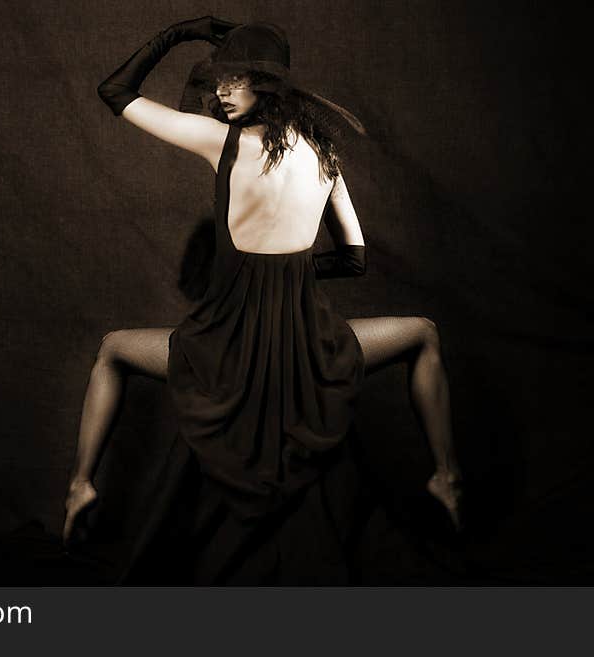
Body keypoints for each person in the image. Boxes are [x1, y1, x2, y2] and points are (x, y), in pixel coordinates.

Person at [65, 18, 462, 582]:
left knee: (111, 350)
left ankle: (80, 484)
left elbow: (115, 91)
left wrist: (181, 33)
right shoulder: (324, 153)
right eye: (218, 80)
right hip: (309, 354)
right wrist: (289, 276)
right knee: (422, 333)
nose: (221, 91)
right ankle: (446, 473)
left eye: (236, 78)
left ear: (268, 83)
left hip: (225, 352)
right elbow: (354, 258)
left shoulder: (220, 141)